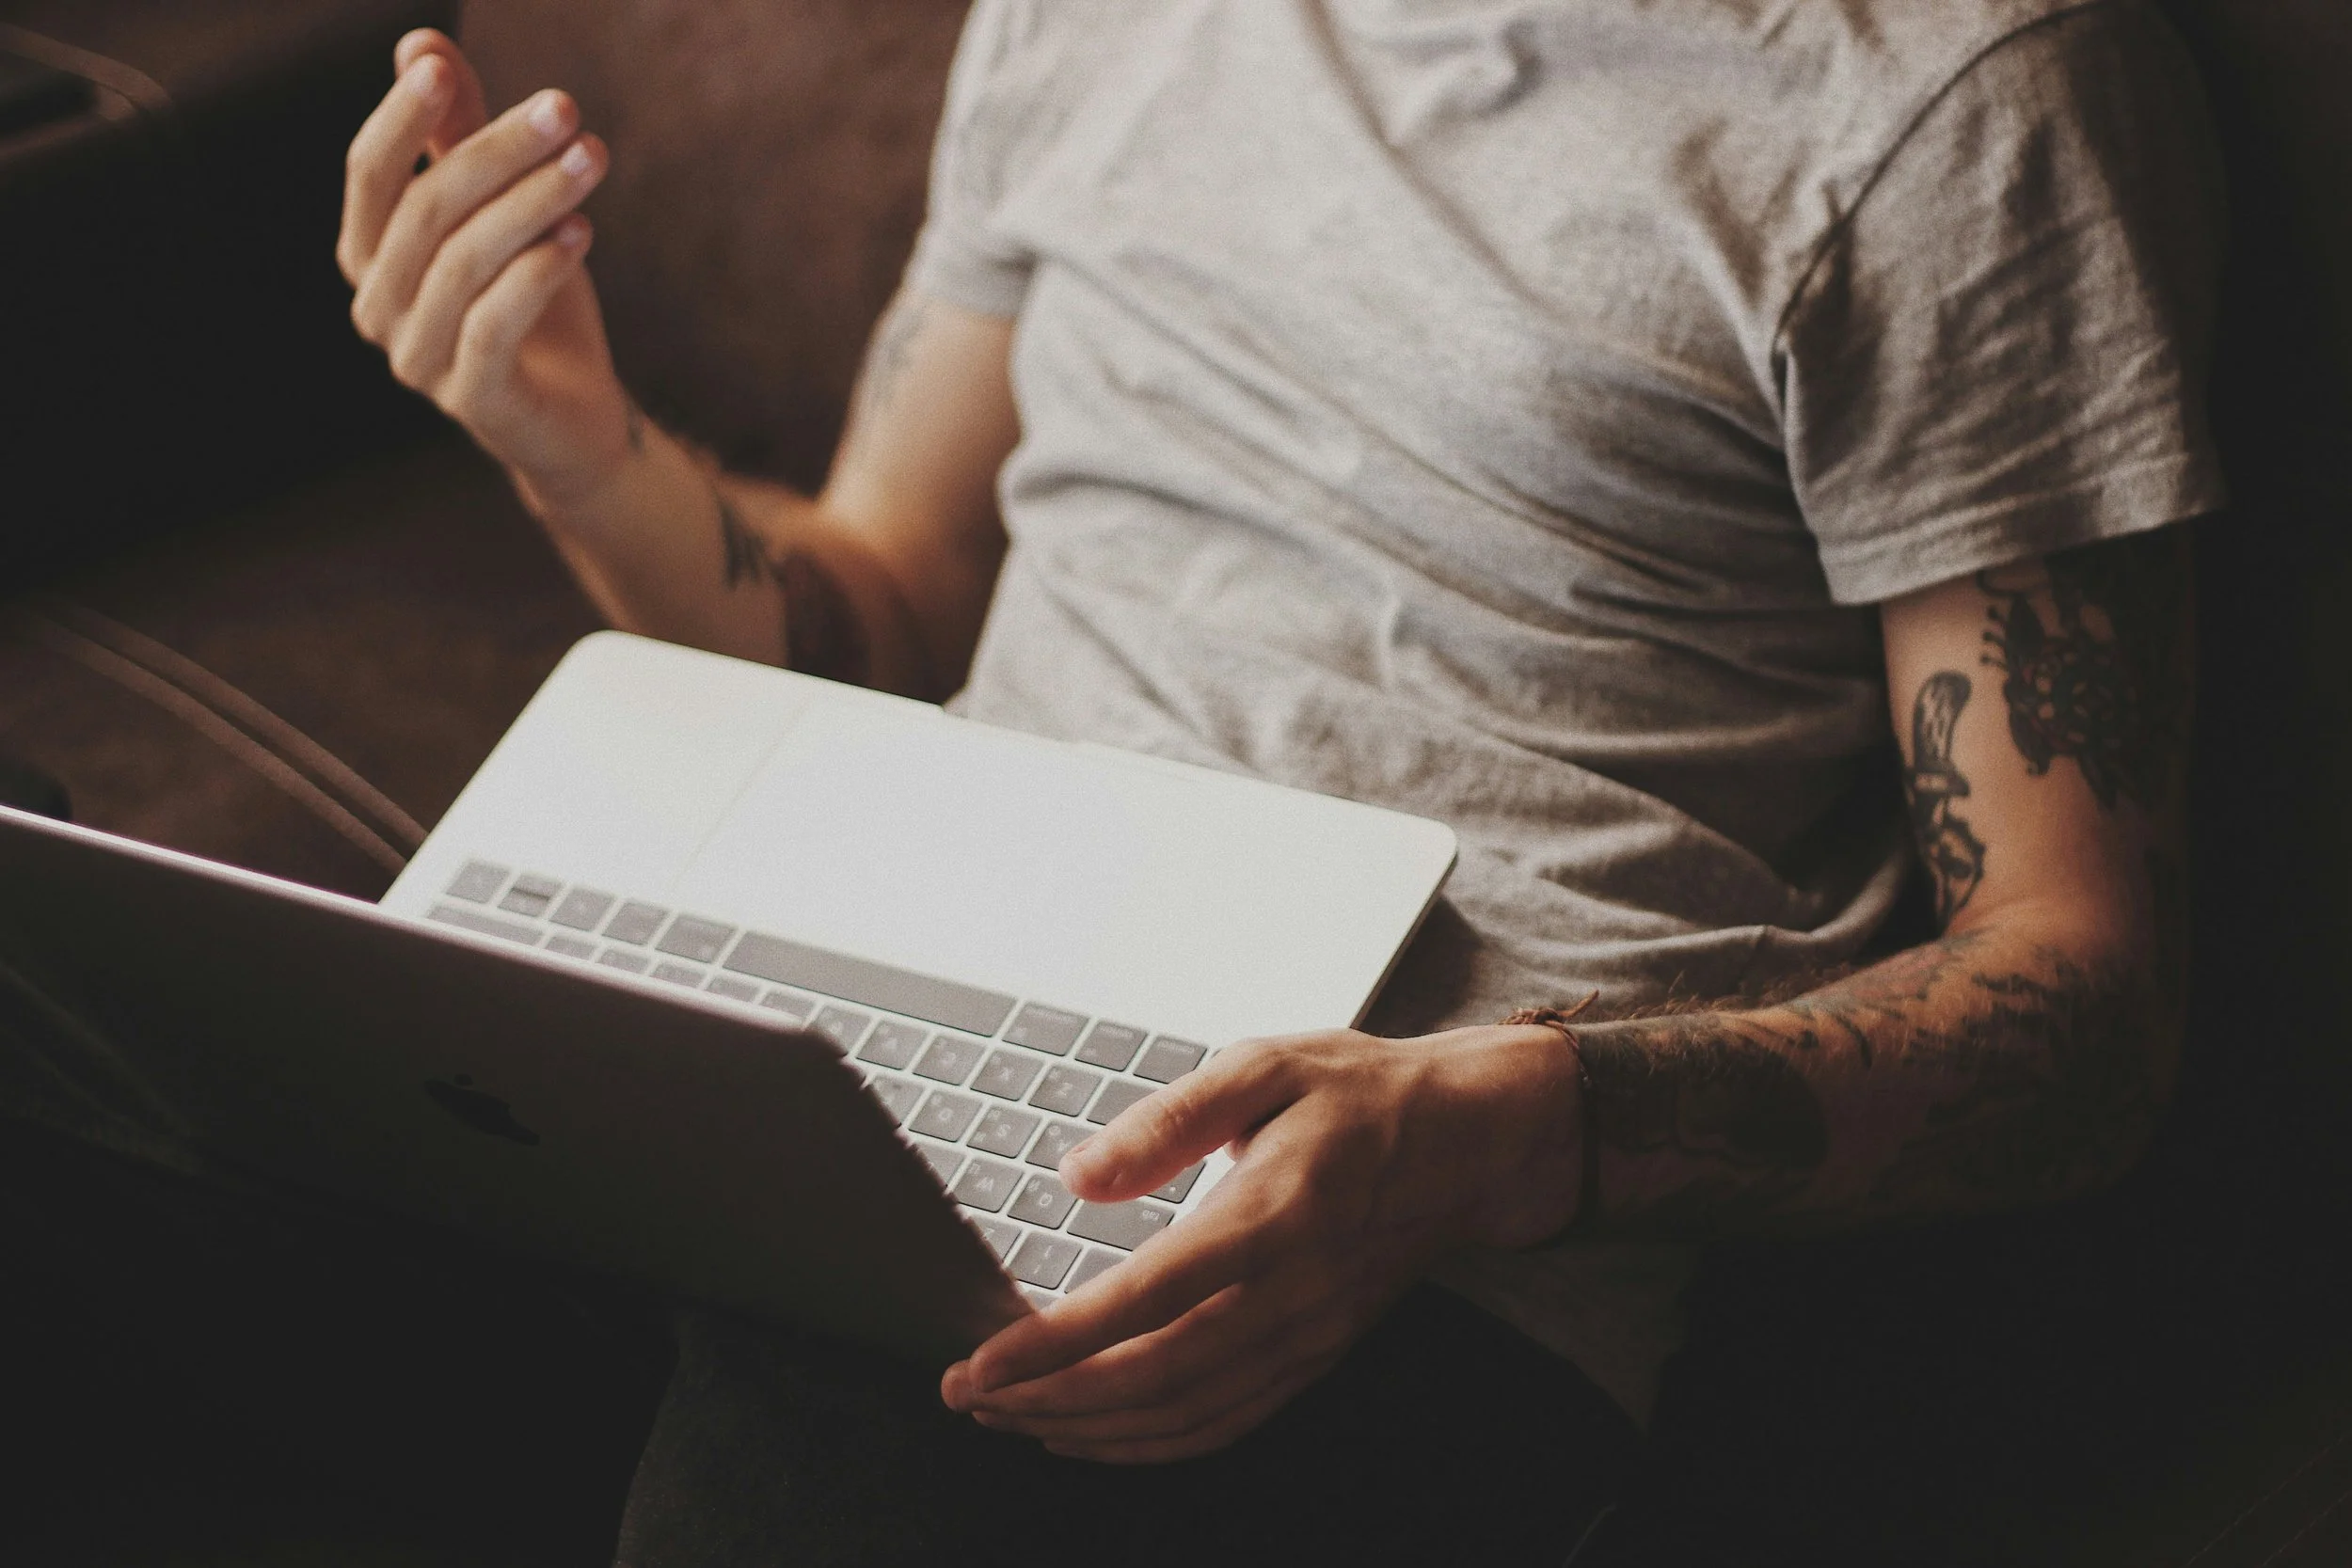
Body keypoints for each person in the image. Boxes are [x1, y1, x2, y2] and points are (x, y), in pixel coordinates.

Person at [61, 0, 2217, 1560]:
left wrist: (1498, 1132)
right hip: (904, 1024)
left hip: (1367, 1233)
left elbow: (2078, 1001)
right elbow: (887, 607)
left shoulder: (1956, 93)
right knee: (94, 1178)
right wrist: (572, 437)